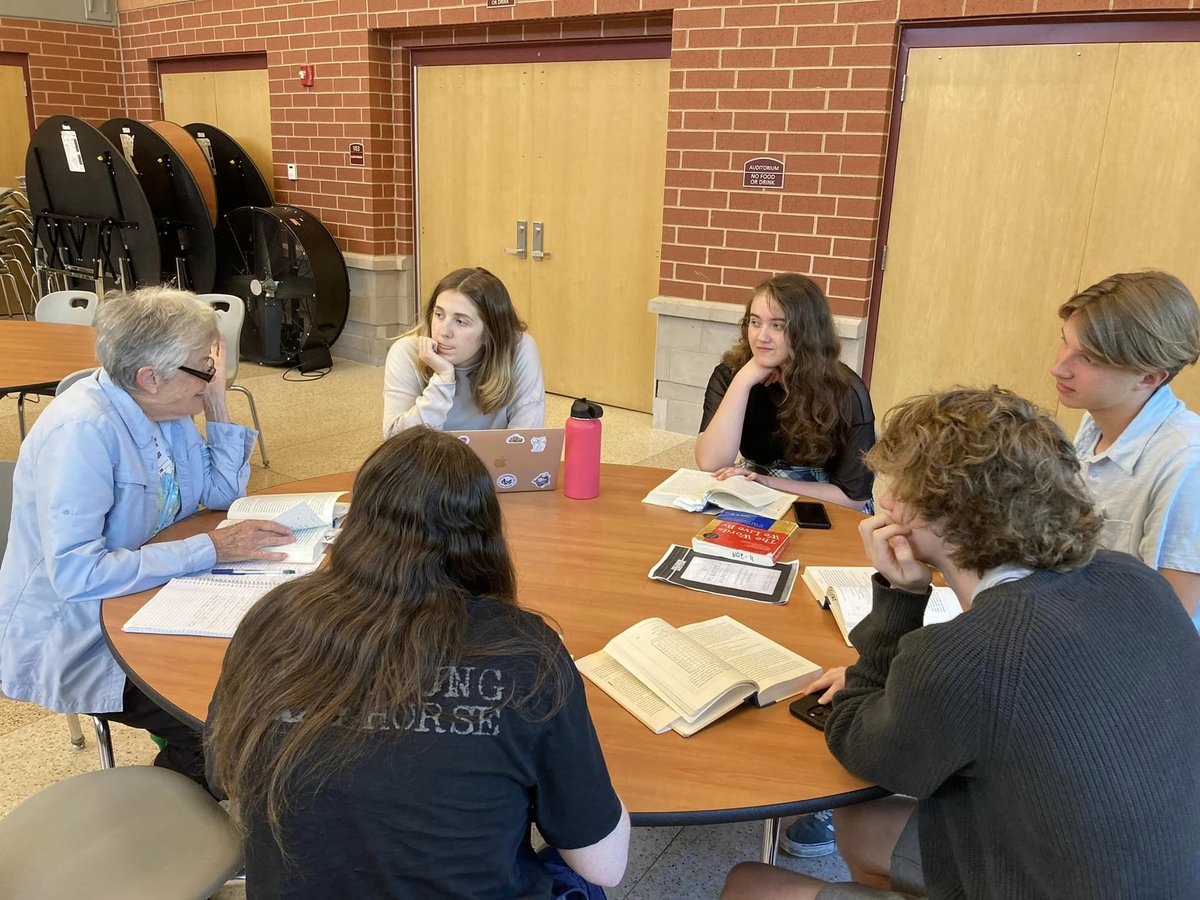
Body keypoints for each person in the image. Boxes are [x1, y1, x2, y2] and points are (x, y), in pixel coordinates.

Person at [721, 387, 1200, 900]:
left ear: (947, 516)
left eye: (898, 489)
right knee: (862, 823)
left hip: (1037, 877)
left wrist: (901, 598)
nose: (883, 502)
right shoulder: (1133, 578)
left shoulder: (965, 656)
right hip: (1155, 871)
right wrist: (909, 684)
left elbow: (862, 747)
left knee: (748, 883)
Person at [205, 427, 630, 898]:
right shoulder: (527, 654)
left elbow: (224, 772)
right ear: (484, 532)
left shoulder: (274, 618)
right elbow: (603, 866)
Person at [0, 287, 292, 785]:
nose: (212, 374)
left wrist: (215, 398)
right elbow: (77, 574)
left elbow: (221, 494)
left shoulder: (165, 409)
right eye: (204, 367)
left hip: (156, 596)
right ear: (148, 377)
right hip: (83, 631)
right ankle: (174, 822)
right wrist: (210, 548)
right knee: (235, 735)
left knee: (271, 684)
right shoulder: (82, 433)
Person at [1050, 270, 1200, 624]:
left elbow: (1169, 622)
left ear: (1149, 377)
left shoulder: (1188, 461)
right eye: (1064, 343)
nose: (1059, 368)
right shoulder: (1096, 419)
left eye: (1087, 358)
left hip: (1140, 660)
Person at [695, 273, 875, 512]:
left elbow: (853, 498)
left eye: (777, 325)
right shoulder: (731, 374)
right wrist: (744, 380)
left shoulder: (846, 390)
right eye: (755, 322)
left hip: (824, 503)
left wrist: (769, 483)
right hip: (754, 490)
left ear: (806, 331)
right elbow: (710, 463)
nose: (761, 337)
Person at [383, 266, 545, 437]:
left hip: (497, 463)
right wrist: (443, 380)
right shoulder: (406, 352)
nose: (443, 331)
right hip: (429, 463)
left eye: (460, 321)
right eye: (439, 315)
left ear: (489, 334)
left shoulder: (519, 348)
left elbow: (526, 439)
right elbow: (396, 441)